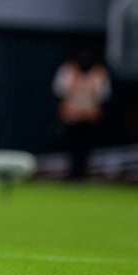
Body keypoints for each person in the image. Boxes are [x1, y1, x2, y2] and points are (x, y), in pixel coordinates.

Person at [53, 48, 110, 182]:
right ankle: (72, 174)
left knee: (86, 148)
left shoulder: (99, 72)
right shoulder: (68, 70)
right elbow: (59, 91)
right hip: (71, 116)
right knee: (71, 147)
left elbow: (104, 96)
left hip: (90, 117)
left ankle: (83, 174)